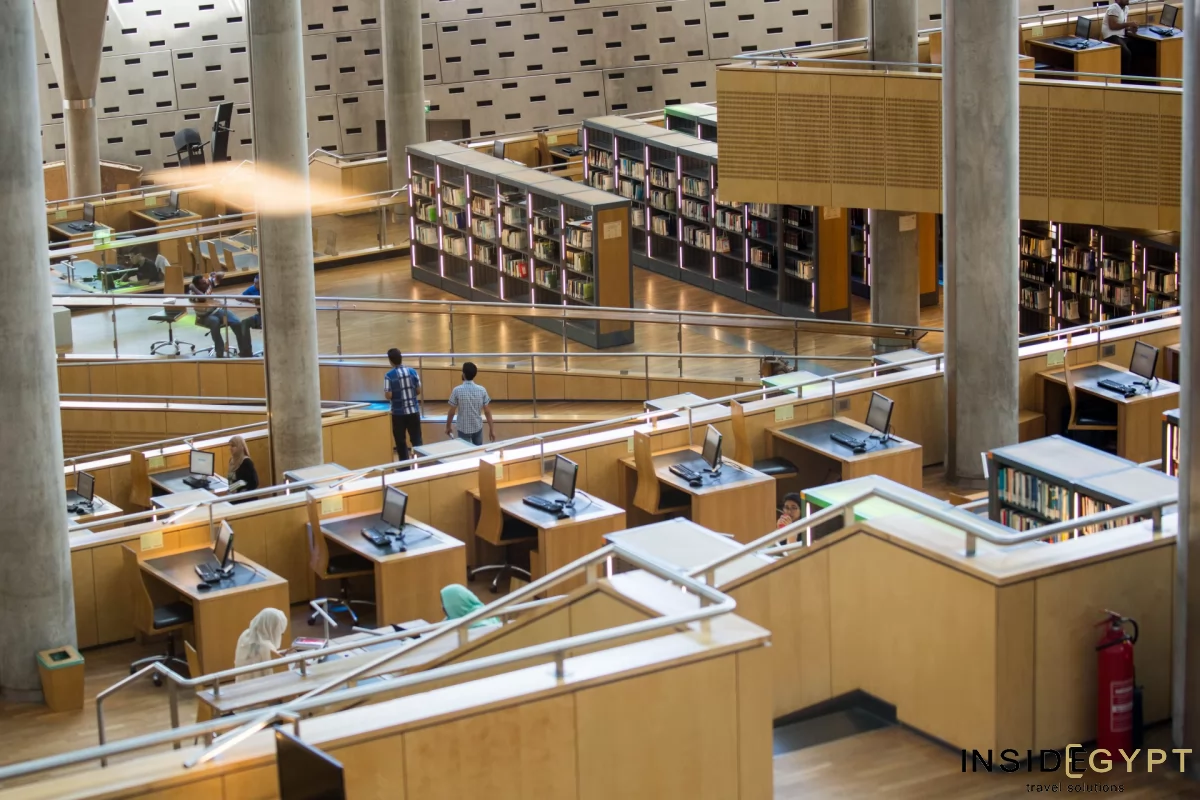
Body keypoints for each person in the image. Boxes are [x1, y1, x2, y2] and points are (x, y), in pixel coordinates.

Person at [187, 273, 252, 358]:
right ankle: (220, 353)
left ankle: (245, 352)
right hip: (204, 316)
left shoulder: (207, 283)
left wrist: (216, 275)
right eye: (203, 283)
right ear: (197, 286)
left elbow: (222, 275)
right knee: (215, 322)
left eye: (205, 281)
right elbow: (202, 298)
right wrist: (193, 288)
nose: (206, 283)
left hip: (216, 310)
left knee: (237, 323)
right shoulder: (192, 294)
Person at [384, 348, 423, 462]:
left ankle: (404, 468)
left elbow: (388, 395)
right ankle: (419, 464)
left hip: (398, 413)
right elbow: (418, 391)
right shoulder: (413, 372)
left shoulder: (389, 376)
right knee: (417, 441)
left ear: (390, 361)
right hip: (413, 412)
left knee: (401, 442)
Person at [446, 362, 496, 446]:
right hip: (477, 427)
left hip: (462, 428)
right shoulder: (482, 390)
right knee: (478, 453)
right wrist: (492, 429)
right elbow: (487, 411)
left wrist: (448, 426)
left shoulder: (456, 390)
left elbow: (451, 412)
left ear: (463, 374)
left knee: (465, 454)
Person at [233, 607, 288, 682]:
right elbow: (272, 677)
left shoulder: (245, 635)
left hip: (240, 684)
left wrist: (276, 655)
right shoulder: (266, 647)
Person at [1100, 1, 1136, 74]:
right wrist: (1129, 24)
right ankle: (1125, 79)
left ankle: (1136, 75)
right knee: (1126, 54)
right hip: (1110, 37)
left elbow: (1121, 25)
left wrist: (1129, 29)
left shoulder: (1126, 8)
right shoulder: (1114, 8)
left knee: (1138, 47)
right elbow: (1113, 26)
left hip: (1120, 36)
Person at [227, 435, 259, 499]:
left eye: (233, 446)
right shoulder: (231, 460)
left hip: (245, 498)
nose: (230, 448)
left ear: (240, 447)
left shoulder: (246, 462)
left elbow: (254, 483)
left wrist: (239, 487)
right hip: (233, 495)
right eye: (230, 446)